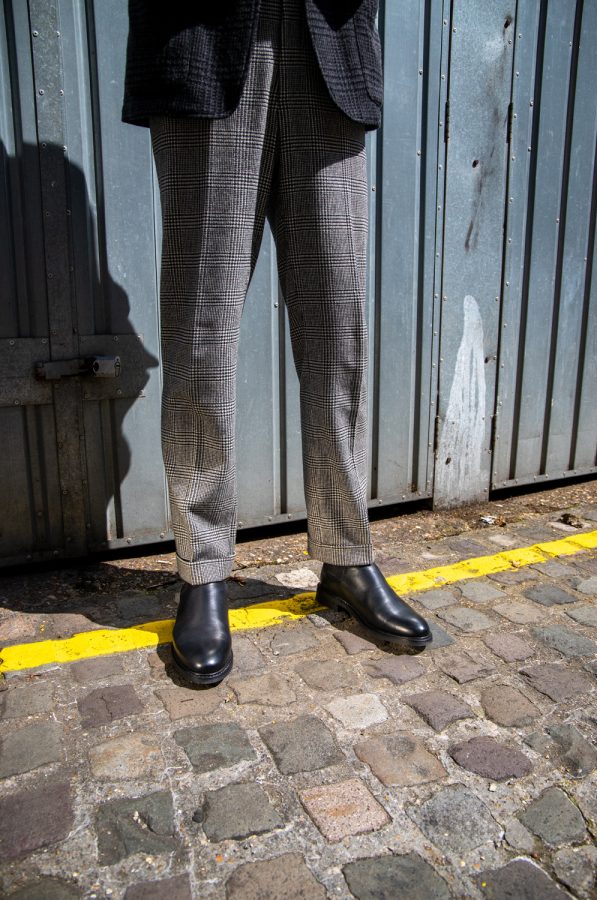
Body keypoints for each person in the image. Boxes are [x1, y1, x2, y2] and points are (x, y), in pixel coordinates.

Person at [122, 0, 432, 685]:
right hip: (209, 41)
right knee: (200, 338)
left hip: (329, 44)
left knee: (338, 337)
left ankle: (348, 557)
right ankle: (203, 569)